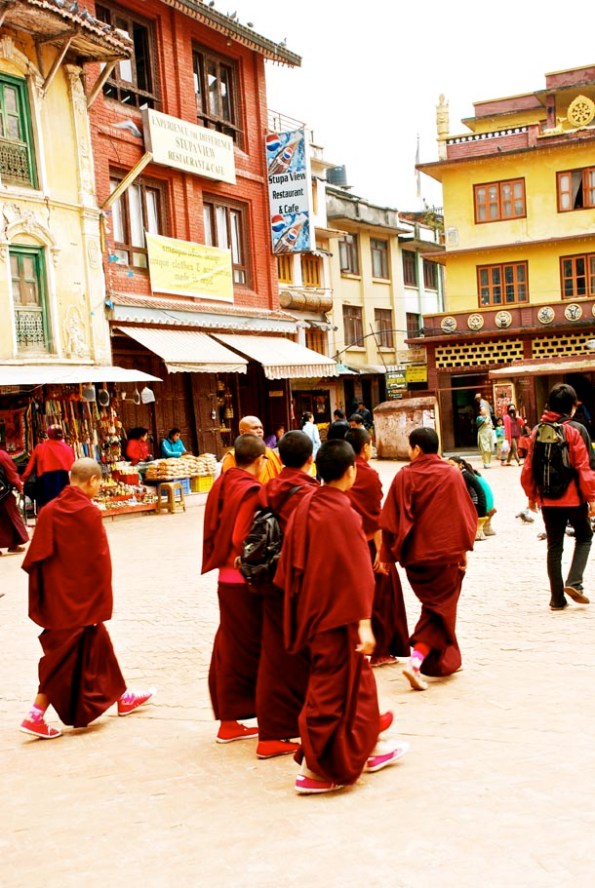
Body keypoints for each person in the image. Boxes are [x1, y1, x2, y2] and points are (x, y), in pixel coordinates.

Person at [275, 439, 409, 795]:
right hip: (340, 620)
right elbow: (356, 572)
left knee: (358, 689)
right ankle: (316, 770)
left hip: (314, 612)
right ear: (351, 471)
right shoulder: (344, 514)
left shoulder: (307, 505)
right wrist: (364, 623)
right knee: (328, 694)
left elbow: (290, 566)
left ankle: (368, 749)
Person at [19, 458, 154, 739]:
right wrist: (99, 600)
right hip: (80, 601)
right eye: (100, 483)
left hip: (57, 599)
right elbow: (98, 562)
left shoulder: (48, 511)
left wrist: (44, 596)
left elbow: (35, 561)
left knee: (99, 644)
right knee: (60, 658)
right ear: (93, 481)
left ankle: (123, 697)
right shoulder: (88, 513)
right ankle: (35, 714)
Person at [380, 428, 477, 692]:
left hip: (415, 560)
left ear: (417, 449)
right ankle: (416, 661)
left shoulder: (404, 476)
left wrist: (386, 556)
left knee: (435, 607)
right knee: (438, 610)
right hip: (446, 556)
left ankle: (443, 661)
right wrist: (463, 551)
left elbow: (390, 519)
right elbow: (463, 516)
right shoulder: (451, 473)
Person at [255, 431, 319, 759]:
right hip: (300, 586)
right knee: (316, 657)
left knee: (275, 656)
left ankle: (273, 732)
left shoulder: (266, 488)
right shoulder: (310, 494)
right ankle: (313, 726)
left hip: (270, 582)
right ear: (311, 459)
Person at [202, 434, 266, 743]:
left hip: (225, 579)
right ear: (258, 461)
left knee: (229, 646)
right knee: (248, 650)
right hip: (244, 582)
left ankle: (230, 719)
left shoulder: (223, 483)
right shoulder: (249, 490)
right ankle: (235, 720)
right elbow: (241, 537)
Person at [521, 383, 595, 611]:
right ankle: (574, 582)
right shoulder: (576, 430)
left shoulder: (537, 431)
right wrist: (592, 497)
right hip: (574, 498)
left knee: (554, 545)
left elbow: (528, 468)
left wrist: (532, 495)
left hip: (547, 499)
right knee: (584, 536)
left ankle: (556, 599)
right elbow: (585, 467)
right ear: (572, 406)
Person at [345, 427, 409, 667]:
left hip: (347, 543)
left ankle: (356, 645)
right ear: (364, 447)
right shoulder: (367, 474)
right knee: (382, 596)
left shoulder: (341, 470)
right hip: (370, 544)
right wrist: (383, 554)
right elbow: (375, 517)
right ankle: (381, 650)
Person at [22, 425, 74, 510]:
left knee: (45, 508)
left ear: (49, 434)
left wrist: (23, 478)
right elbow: (72, 467)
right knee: (62, 508)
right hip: (63, 483)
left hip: (45, 483)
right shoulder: (68, 449)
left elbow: (30, 467)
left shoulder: (40, 448)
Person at [220, 416, 282, 483]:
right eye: (255, 428)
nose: (260, 431)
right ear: (242, 432)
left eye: (261, 428)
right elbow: (231, 485)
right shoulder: (233, 456)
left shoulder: (269, 452)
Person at [0, 449, 28, 556]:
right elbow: (10, 472)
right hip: (3, 493)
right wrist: (19, 486)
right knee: (12, 517)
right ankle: (14, 544)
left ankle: (13, 544)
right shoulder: (2, 455)